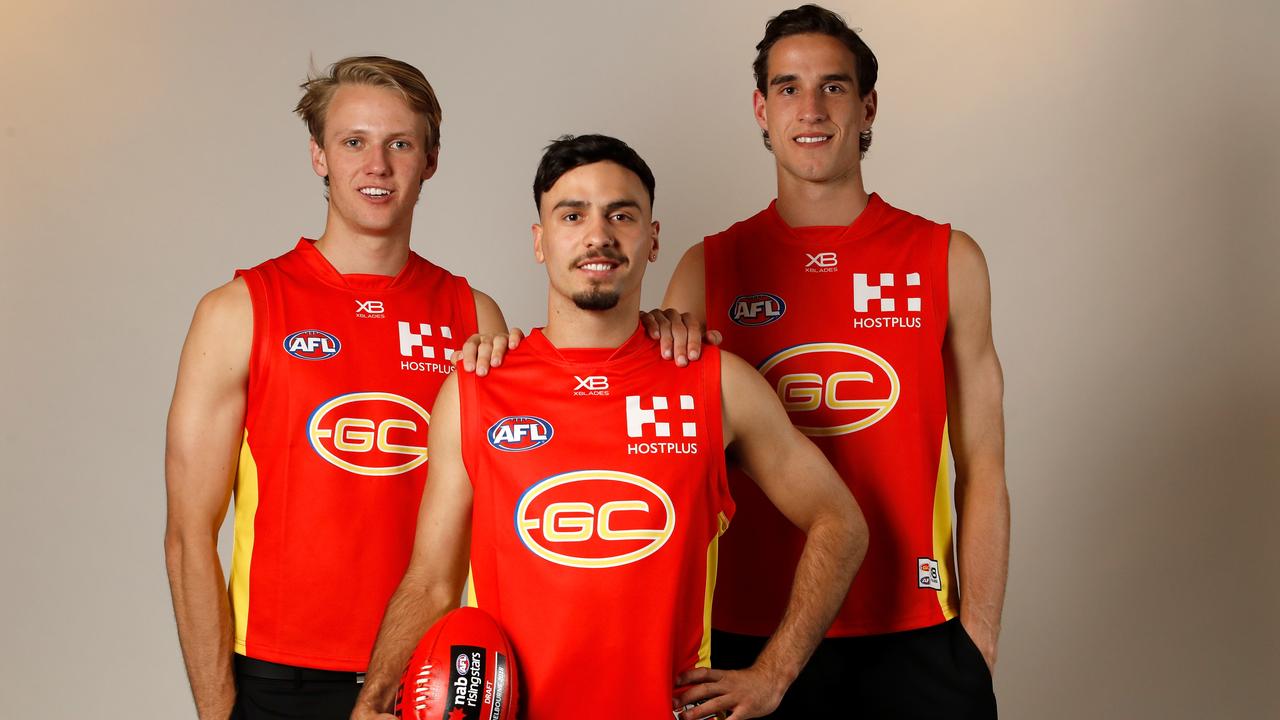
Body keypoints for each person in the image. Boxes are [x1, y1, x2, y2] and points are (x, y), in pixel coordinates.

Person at [349, 134, 868, 720]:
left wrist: (773, 676)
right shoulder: (476, 388)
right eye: (572, 215)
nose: (598, 235)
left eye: (621, 214)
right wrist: (372, 699)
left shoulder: (715, 384)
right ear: (540, 242)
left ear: (651, 239)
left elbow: (841, 522)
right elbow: (431, 582)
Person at [661, 5, 1009, 717]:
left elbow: (984, 467)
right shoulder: (709, 269)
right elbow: (663, 462)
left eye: (834, 86)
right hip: (747, 643)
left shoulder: (943, 258)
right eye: (788, 88)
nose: (810, 108)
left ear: (867, 104)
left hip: (914, 638)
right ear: (761, 108)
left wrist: (977, 643)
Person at [163, 56, 510, 719]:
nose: (376, 165)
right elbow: (187, 534)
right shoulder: (239, 311)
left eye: (399, 144)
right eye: (354, 142)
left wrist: (659, 330)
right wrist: (216, 712)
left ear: (430, 161)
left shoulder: (475, 318)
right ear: (319, 156)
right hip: (278, 680)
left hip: (431, 671)